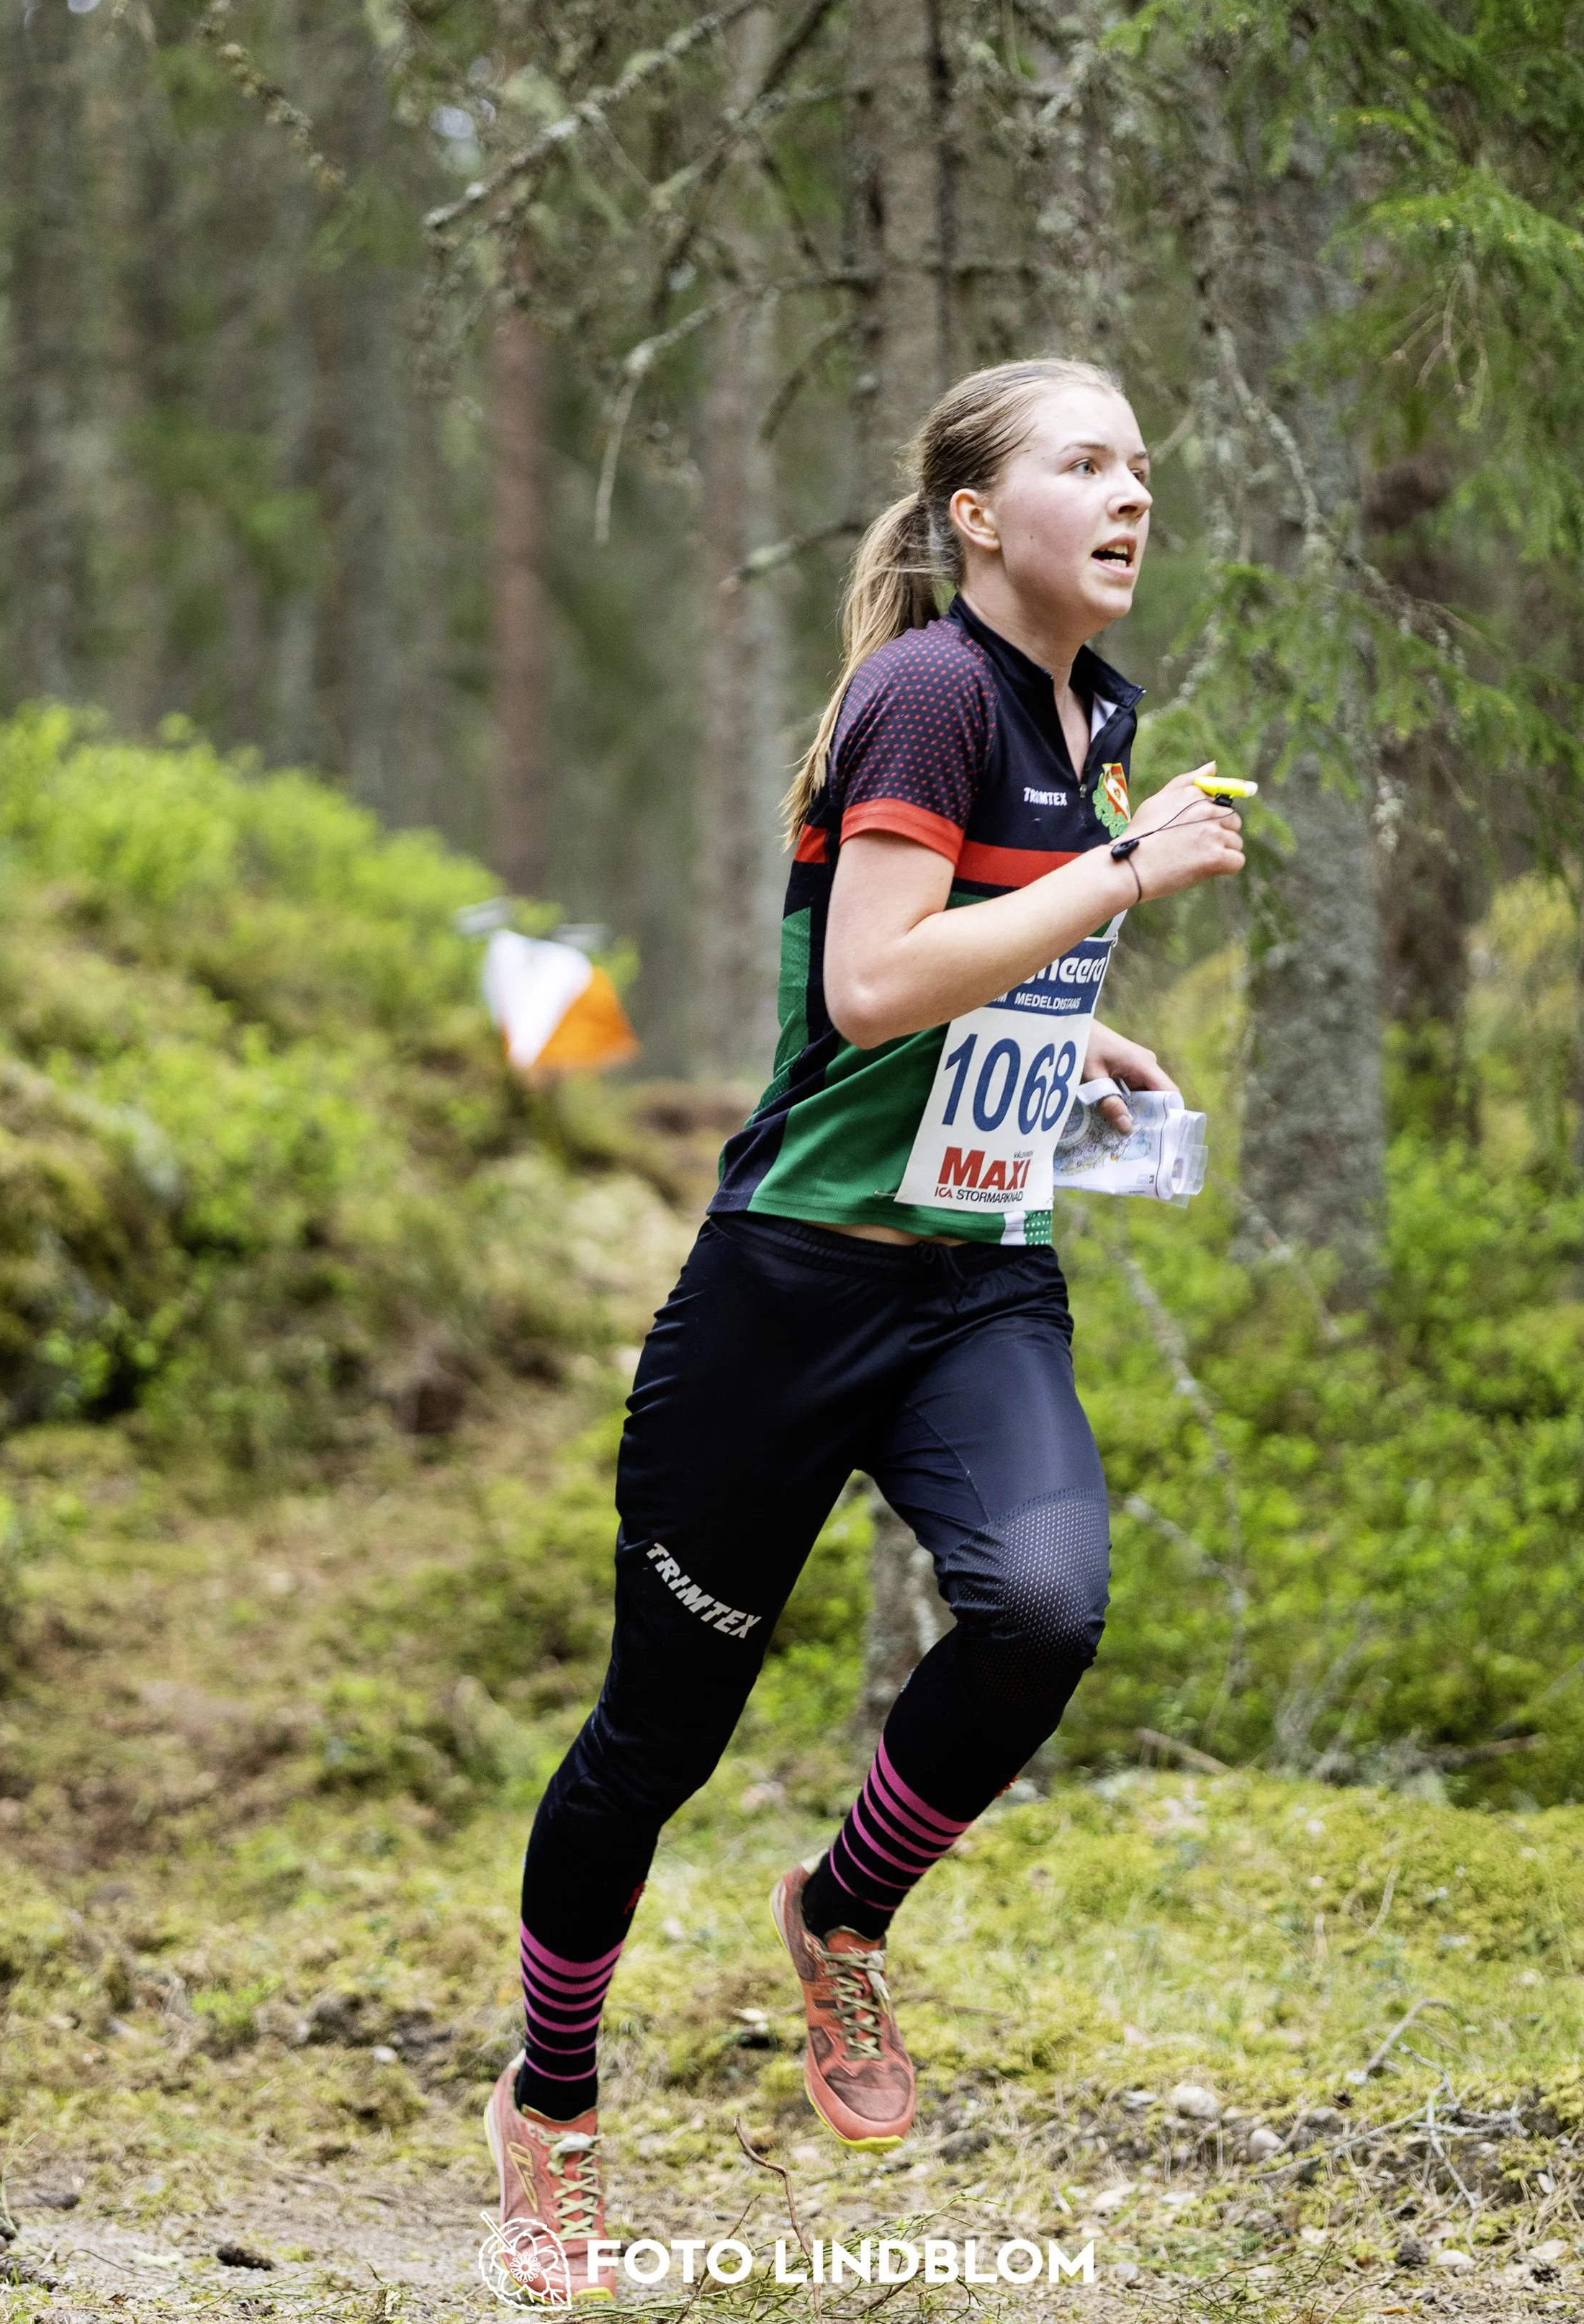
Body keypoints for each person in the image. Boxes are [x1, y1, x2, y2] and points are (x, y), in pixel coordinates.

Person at [486, 356, 1246, 2300]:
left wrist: (1072, 1049)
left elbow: (976, 981)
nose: (1129, 489)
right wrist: (1122, 870)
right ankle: (549, 2108)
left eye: (1142, 462)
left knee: (1043, 1599)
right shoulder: (922, 690)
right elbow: (874, 978)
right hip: (795, 1282)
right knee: (653, 1738)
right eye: (1083, 461)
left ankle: (841, 1911)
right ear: (980, 516)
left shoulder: (1101, 709)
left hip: (974, 1267)